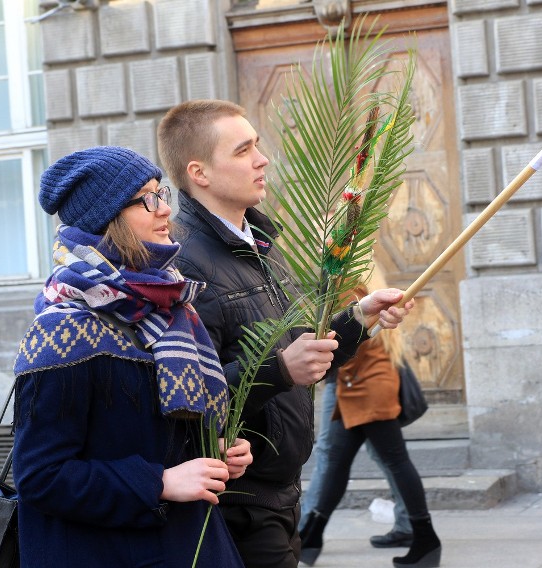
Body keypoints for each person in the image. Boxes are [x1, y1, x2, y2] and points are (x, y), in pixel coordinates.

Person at [157, 99, 414, 568]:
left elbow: (304, 356)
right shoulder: (185, 262)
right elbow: (187, 401)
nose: (261, 159)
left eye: (257, 144)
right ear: (200, 172)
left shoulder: (263, 247)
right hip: (235, 504)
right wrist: (279, 370)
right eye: (242, 150)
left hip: (282, 493)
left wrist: (359, 318)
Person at [12, 146, 253, 568]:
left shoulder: (171, 307)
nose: (165, 211)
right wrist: (160, 482)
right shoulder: (63, 330)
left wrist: (213, 452)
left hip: (186, 542)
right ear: (108, 219)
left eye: (162, 194)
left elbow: (151, 432)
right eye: (148, 198)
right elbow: (40, 477)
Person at [298, 274, 441, 568]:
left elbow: (347, 340)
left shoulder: (345, 288)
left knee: (396, 461)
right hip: (354, 390)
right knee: (338, 462)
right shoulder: (346, 286)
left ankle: (426, 540)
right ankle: (310, 538)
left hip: (369, 388)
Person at [298, 372, 415, 549]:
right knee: (389, 458)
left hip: (351, 381)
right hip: (365, 381)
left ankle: (304, 532)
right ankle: (410, 525)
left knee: (331, 456)